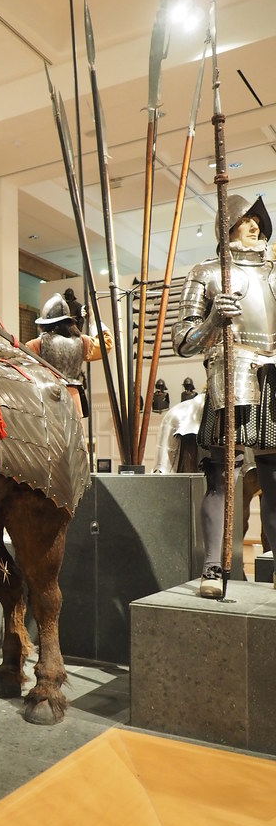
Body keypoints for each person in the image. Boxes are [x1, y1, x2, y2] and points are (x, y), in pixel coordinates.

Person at [173, 193, 276, 597]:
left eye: (258, 220)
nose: (255, 226)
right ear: (226, 226)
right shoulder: (209, 272)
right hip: (231, 376)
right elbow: (183, 340)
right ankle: (213, 568)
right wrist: (215, 319)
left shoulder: (273, 273)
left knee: (274, 475)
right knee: (220, 475)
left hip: (274, 376)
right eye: (246, 219)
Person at [24, 294, 112, 418]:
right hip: (73, 399)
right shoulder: (82, 342)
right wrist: (93, 320)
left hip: (47, 399)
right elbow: (107, 343)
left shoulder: (35, 344)